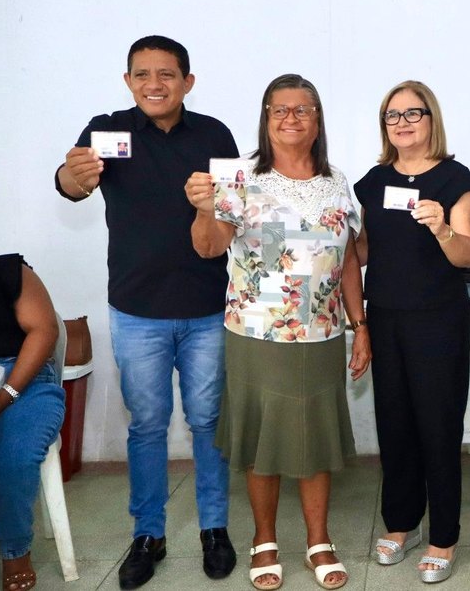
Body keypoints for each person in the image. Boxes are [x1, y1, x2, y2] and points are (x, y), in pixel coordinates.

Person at [54, 35, 239, 589]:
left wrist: (215, 200)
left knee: (209, 423)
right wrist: (71, 177)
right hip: (136, 310)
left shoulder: (214, 134)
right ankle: (148, 533)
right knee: (148, 426)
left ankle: (215, 528)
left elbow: (233, 211)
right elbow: (69, 185)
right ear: (128, 80)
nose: (154, 84)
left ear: (188, 81)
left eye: (166, 74)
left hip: (208, 308)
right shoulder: (107, 131)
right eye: (142, 74)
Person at [185, 74, 368, 590]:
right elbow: (208, 247)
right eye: (279, 109)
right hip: (255, 335)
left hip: (323, 335)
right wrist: (204, 208)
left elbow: (350, 261)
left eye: (303, 109)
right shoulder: (240, 178)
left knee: (316, 438)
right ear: (266, 119)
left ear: (318, 119)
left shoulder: (338, 181)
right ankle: (264, 539)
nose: (291, 118)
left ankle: (318, 540)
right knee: (260, 439)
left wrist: (362, 326)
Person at [353, 80, 470, 585]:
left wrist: (443, 229)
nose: (403, 123)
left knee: (437, 426)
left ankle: (443, 536)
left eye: (413, 113)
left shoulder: (455, 181)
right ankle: (401, 522)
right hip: (385, 317)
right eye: (392, 115)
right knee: (395, 424)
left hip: (438, 320)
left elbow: (468, 254)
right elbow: (361, 251)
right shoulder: (373, 180)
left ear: (432, 119)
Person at [0, 237, 64, 591]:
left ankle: (15, 551)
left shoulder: (6, 271)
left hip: (20, 382)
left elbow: (44, 330)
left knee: (12, 456)